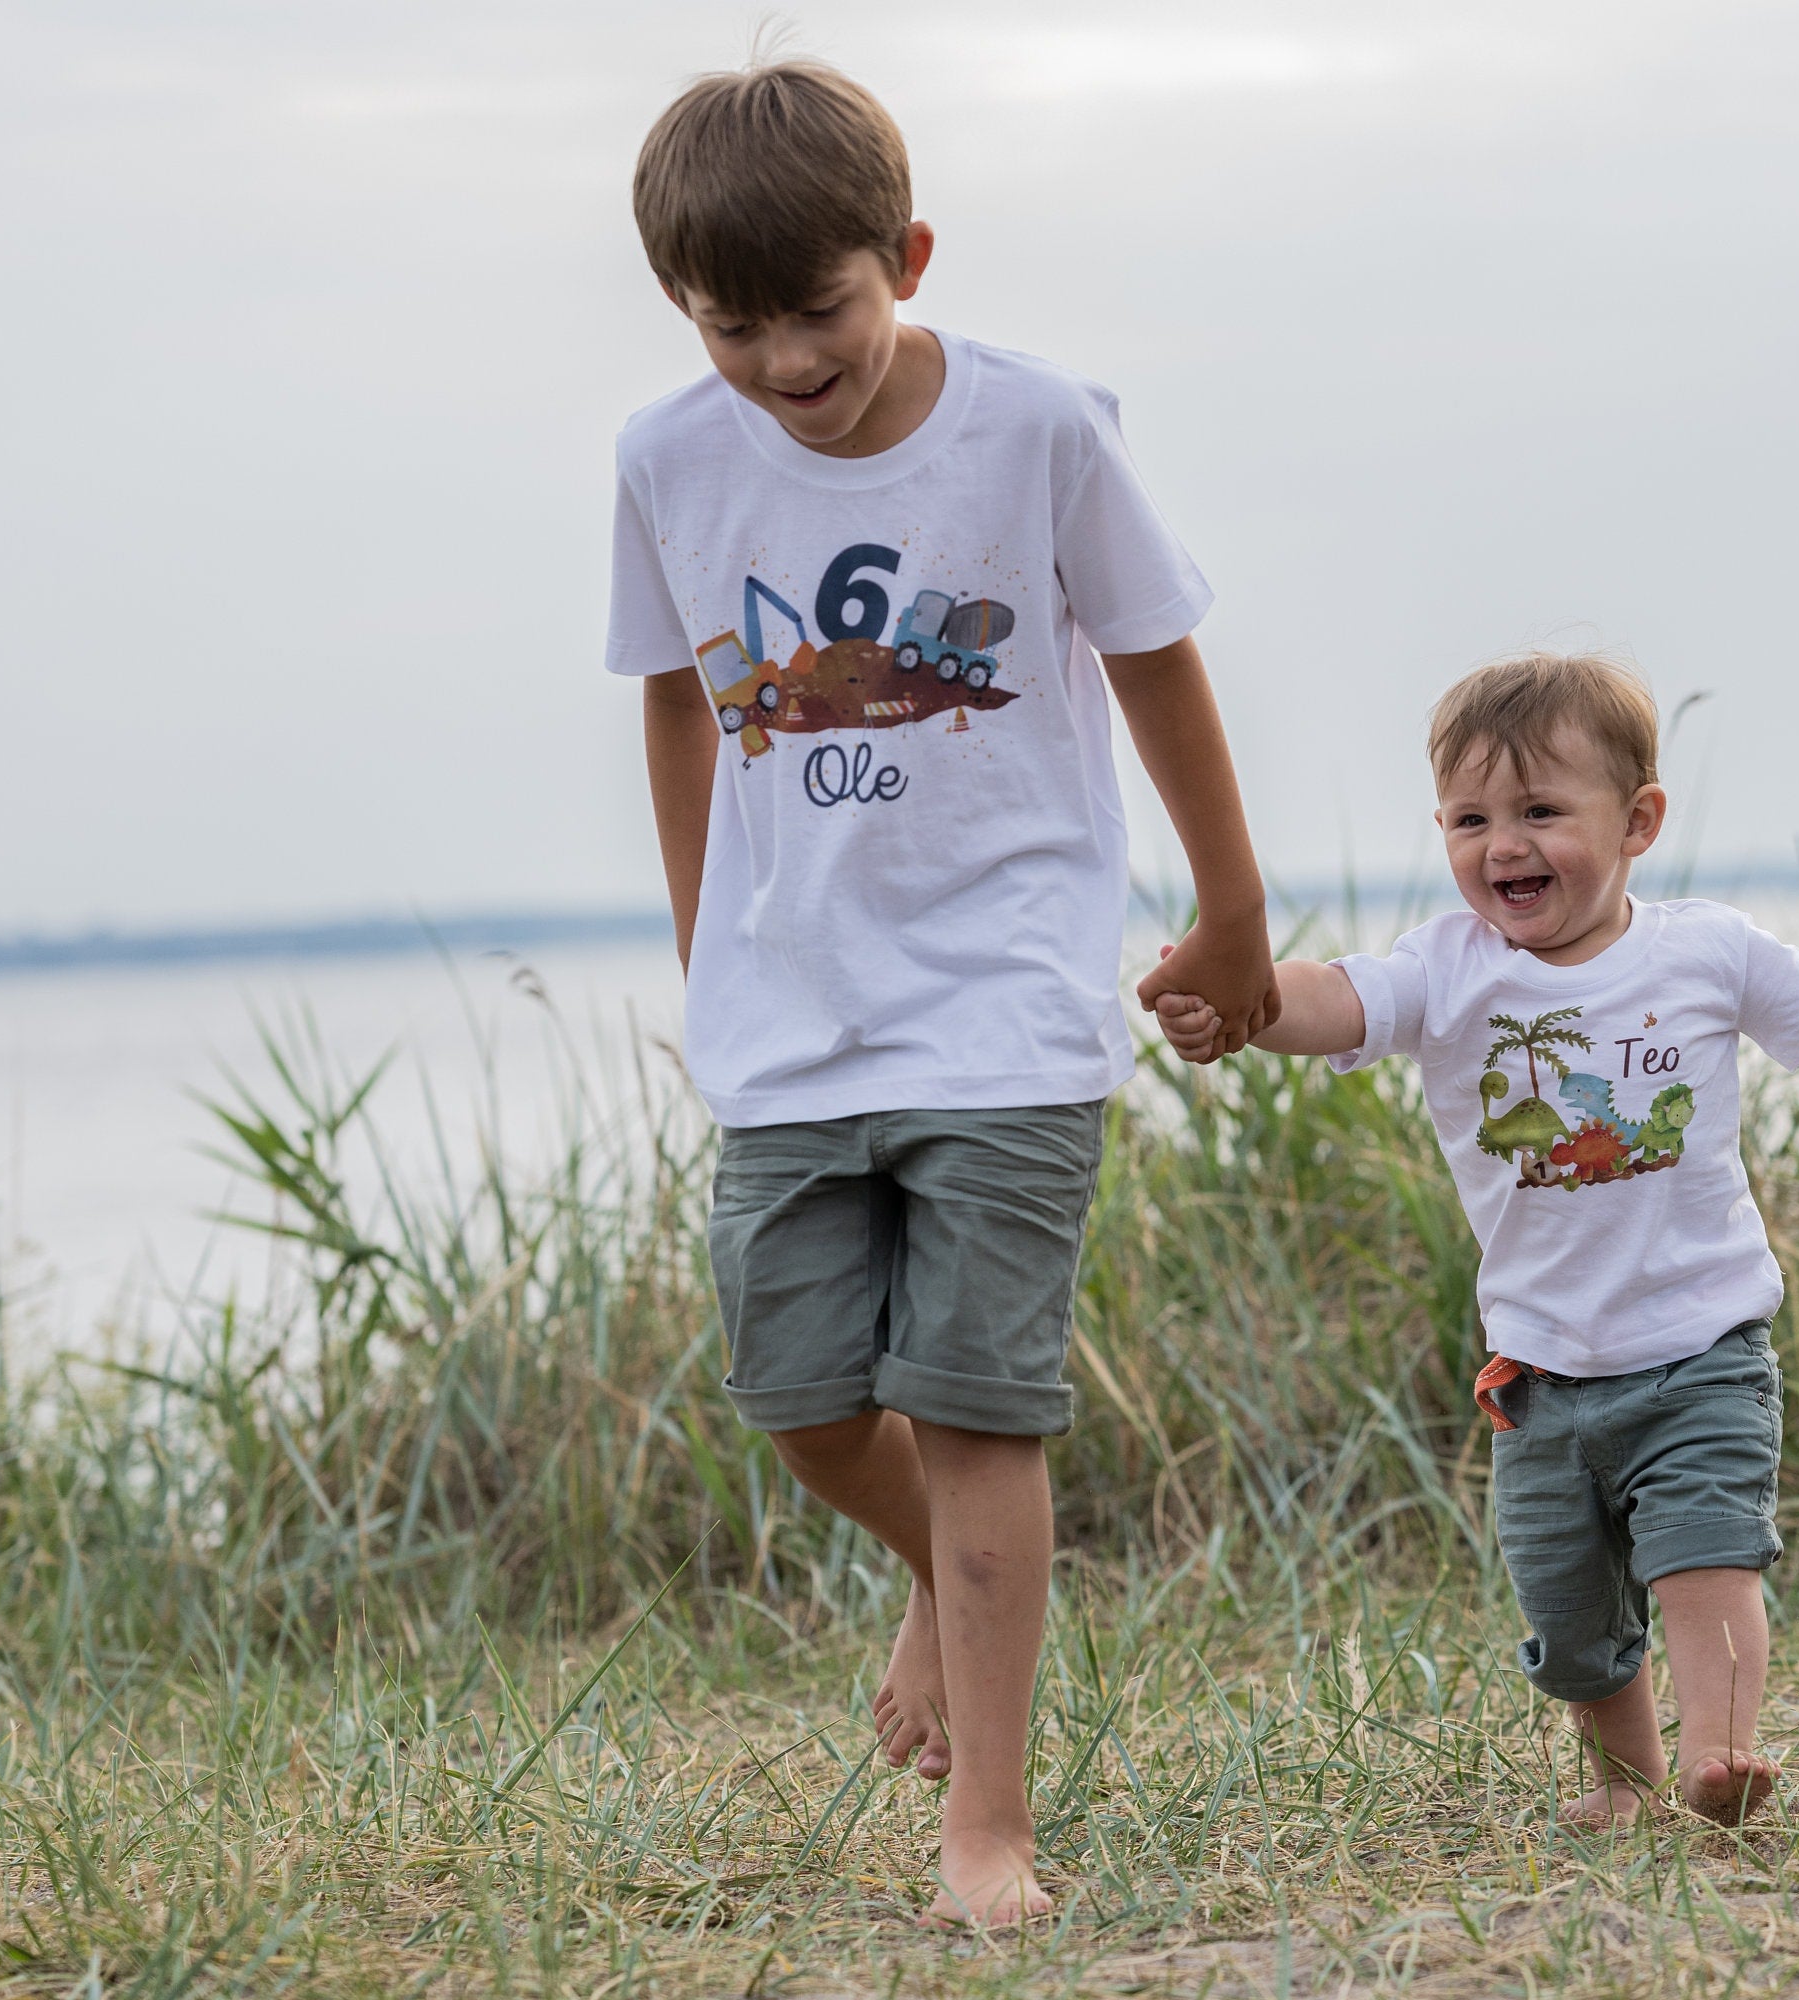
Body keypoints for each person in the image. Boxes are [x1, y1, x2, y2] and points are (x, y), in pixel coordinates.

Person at [605, 59, 1278, 1922]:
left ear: (902, 256)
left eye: (815, 312)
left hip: (1004, 997)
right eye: (732, 329)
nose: (783, 364)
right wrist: (700, 944)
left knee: (983, 1414)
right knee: (804, 1396)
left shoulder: (1038, 430)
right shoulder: (666, 462)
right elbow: (676, 699)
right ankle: (943, 1578)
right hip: (790, 1020)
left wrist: (1232, 916)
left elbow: (1155, 656)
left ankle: (988, 1822)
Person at [1155, 652, 1799, 1828]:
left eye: (1540, 811)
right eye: (1471, 818)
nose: (1504, 844)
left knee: (1705, 1552)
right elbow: (1334, 997)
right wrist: (1239, 992)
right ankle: (1625, 1783)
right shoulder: (1448, 966)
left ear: (1637, 822)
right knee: (1571, 1607)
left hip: (1702, 1344)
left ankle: (1722, 1757)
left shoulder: (1707, 950)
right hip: (1541, 1365)